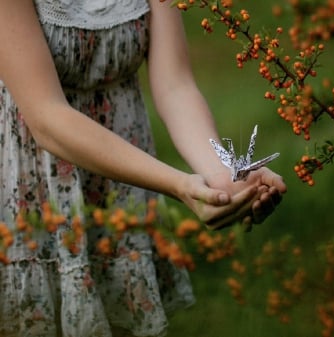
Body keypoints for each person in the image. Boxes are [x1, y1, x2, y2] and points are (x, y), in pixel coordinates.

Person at [0, 0, 286, 336]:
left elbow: (175, 86)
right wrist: (177, 184)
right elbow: (46, 116)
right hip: (32, 186)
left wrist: (225, 175)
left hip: (126, 180)